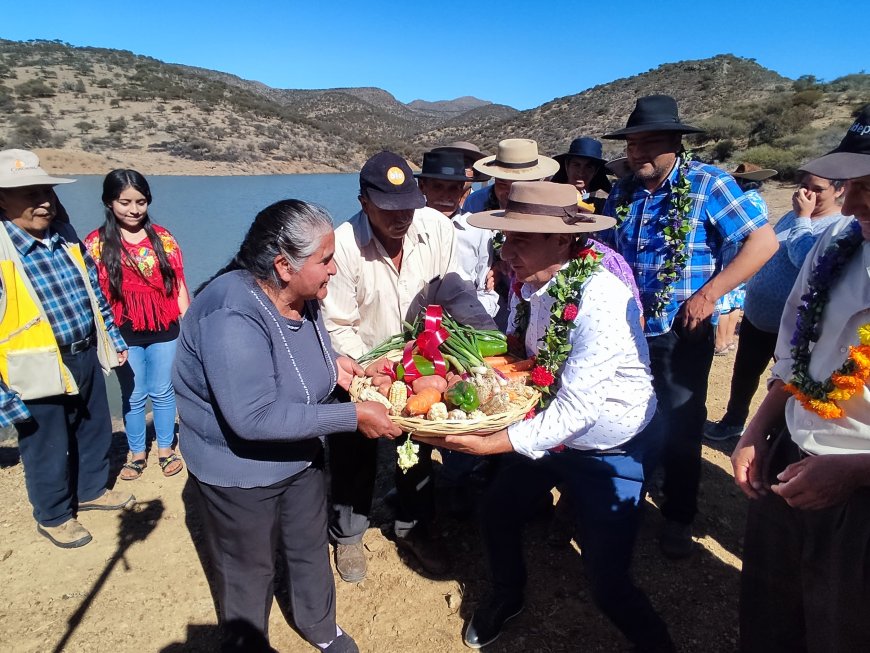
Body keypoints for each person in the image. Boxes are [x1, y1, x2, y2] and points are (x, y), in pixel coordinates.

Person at [433, 181, 673, 651]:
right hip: (550, 435)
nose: (506, 252)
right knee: (498, 510)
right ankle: (508, 594)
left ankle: (656, 643)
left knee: (608, 582)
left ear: (562, 241)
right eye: (504, 238)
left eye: (520, 239)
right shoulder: (530, 286)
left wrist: (491, 443)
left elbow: (578, 408)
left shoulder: (599, 297)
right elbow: (528, 360)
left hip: (610, 449)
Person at [173, 199, 401, 652]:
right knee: (249, 567)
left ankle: (320, 626)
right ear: (283, 265)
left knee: (308, 547)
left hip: (300, 454)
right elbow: (254, 418)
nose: (334, 270)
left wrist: (336, 366)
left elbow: (300, 351)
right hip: (242, 472)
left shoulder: (303, 297)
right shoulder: (230, 314)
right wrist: (352, 416)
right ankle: (246, 643)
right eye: (325, 260)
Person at [601, 95, 779, 558]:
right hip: (628, 330)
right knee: (629, 417)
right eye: (632, 143)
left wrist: (711, 294)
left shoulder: (708, 184)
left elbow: (763, 242)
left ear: (677, 144)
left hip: (681, 330)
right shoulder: (623, 192)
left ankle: (679, 514)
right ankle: (629, 499)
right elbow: (606, 251)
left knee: (681, 425)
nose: (638, 152)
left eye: (650, 143)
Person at [730, 105, 870, 653]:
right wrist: (754, 432)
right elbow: (795, 356)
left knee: (843, 630)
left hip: (859, 496)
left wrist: (857, 473)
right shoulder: (837, 248)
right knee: (769, 614)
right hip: (792, 455)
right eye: (850, 183)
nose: (853, 201)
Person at [321, 151, 495, 582]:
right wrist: (369, 366)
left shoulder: (435, 227)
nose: (401, 218)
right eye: (388, 209)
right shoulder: (342, 245)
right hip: (361, 361)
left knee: (415, 450)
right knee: (352, 453)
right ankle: (347, 534)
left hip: (420, 358)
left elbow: (445, 292)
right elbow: (336, 323)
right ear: (364, 202)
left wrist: (447, 352)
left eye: (408, 207)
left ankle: (414, 527)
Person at [0, 149, 133, 549]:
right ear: (1, 198)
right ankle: (55, 515)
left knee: (93, 428)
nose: (44, 200)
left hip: (83, 350)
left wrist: (111, 336)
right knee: (46, 442)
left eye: (47, 191)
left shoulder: (66, 235)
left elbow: (93, 291)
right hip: (33, 363)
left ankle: (90, 490)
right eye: (30, 193)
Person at [706, 167, 846, 441]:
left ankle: (776, 438)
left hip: (795, 327)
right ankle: (732, 422)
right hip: (759, 317)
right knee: (745, 373)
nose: (806, 194)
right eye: (804, 185)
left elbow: (805, 260)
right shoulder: (789, 217)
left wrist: (803, 217)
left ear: (840, 190)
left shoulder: (837, 227)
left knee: (786, 385)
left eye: (817, 189)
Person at [84, 170, 190, 480]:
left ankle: (166, 450)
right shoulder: (96, 243)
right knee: (132, 392)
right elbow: (93, 295)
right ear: (109, 202)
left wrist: (191, 324)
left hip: (164, 329)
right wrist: (104, 339)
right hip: (122, 333)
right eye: (125, 202)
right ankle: (136, 452)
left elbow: (178, 283)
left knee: (163, 390)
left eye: (141, 202)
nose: (134, 210)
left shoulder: (164, 238)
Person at [415, 149, 499, 317]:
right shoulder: (410, 228)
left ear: (462, 190)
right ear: (422, 186)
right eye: (438, 187)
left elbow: (486, 290)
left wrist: (467, 317)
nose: (445, 195)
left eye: (453, 188)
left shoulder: (477, 231)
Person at [711, 164, 774, 356]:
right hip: (749, 257)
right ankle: (729, 340)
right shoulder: (759, 200)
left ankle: (720, 343)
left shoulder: (744, 201)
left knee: (723, 298)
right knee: (736, 300)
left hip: (735, 255)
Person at [462, 138, 559, 213]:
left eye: (518, 186)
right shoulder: (475, 202)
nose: (510, 192)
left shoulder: (549, 207)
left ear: (535, 182)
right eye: (502, 184)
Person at [551, 136, 612, 212]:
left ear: (596, 171)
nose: (581, 172)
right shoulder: (550, 196)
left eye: (588, 167)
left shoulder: (603, 203)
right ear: (567, 165)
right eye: (576, 165)